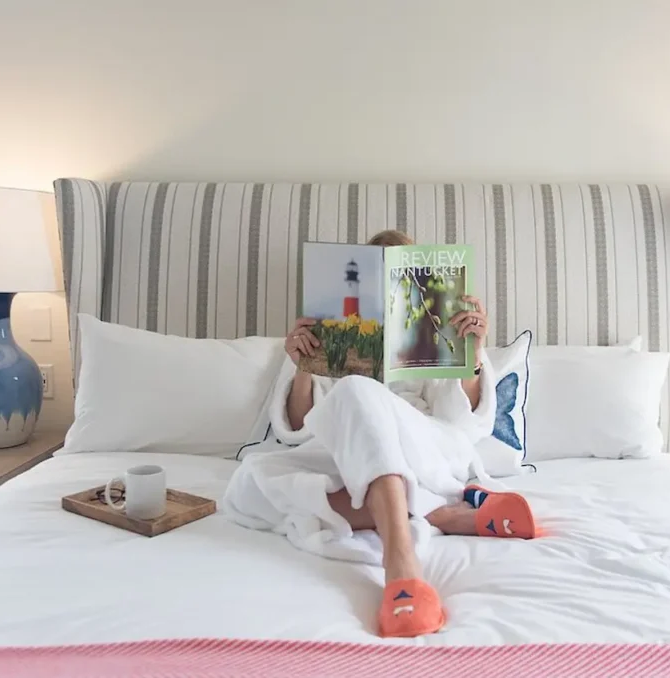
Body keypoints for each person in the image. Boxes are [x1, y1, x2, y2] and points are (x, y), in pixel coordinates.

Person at [224, 230, 535, 638]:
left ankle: (399, 560)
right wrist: (304, 365)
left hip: (424, 445)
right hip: (344, 452)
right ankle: (439, 510)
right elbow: (297, 428)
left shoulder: (434, 329)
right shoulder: (327, 327)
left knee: (356, 388)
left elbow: (463, 422)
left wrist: (472, 356)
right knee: (247, 484)